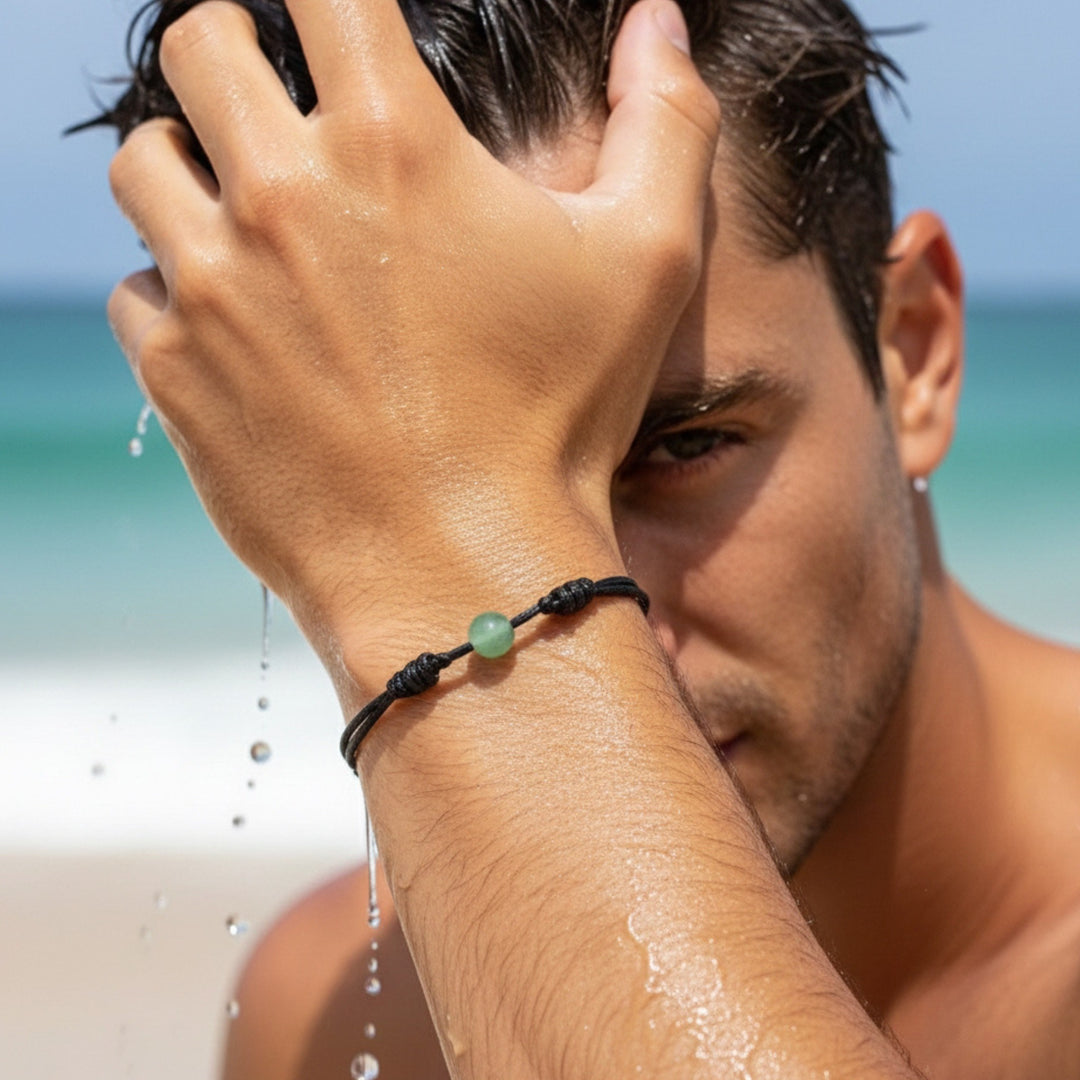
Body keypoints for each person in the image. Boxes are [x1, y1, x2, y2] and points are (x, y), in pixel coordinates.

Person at [98, 0, 1080, 1076]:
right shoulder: (332, 1023)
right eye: (378, 494)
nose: (615, 649)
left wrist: (443, 527)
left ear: (913, 351)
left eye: (682, 446)